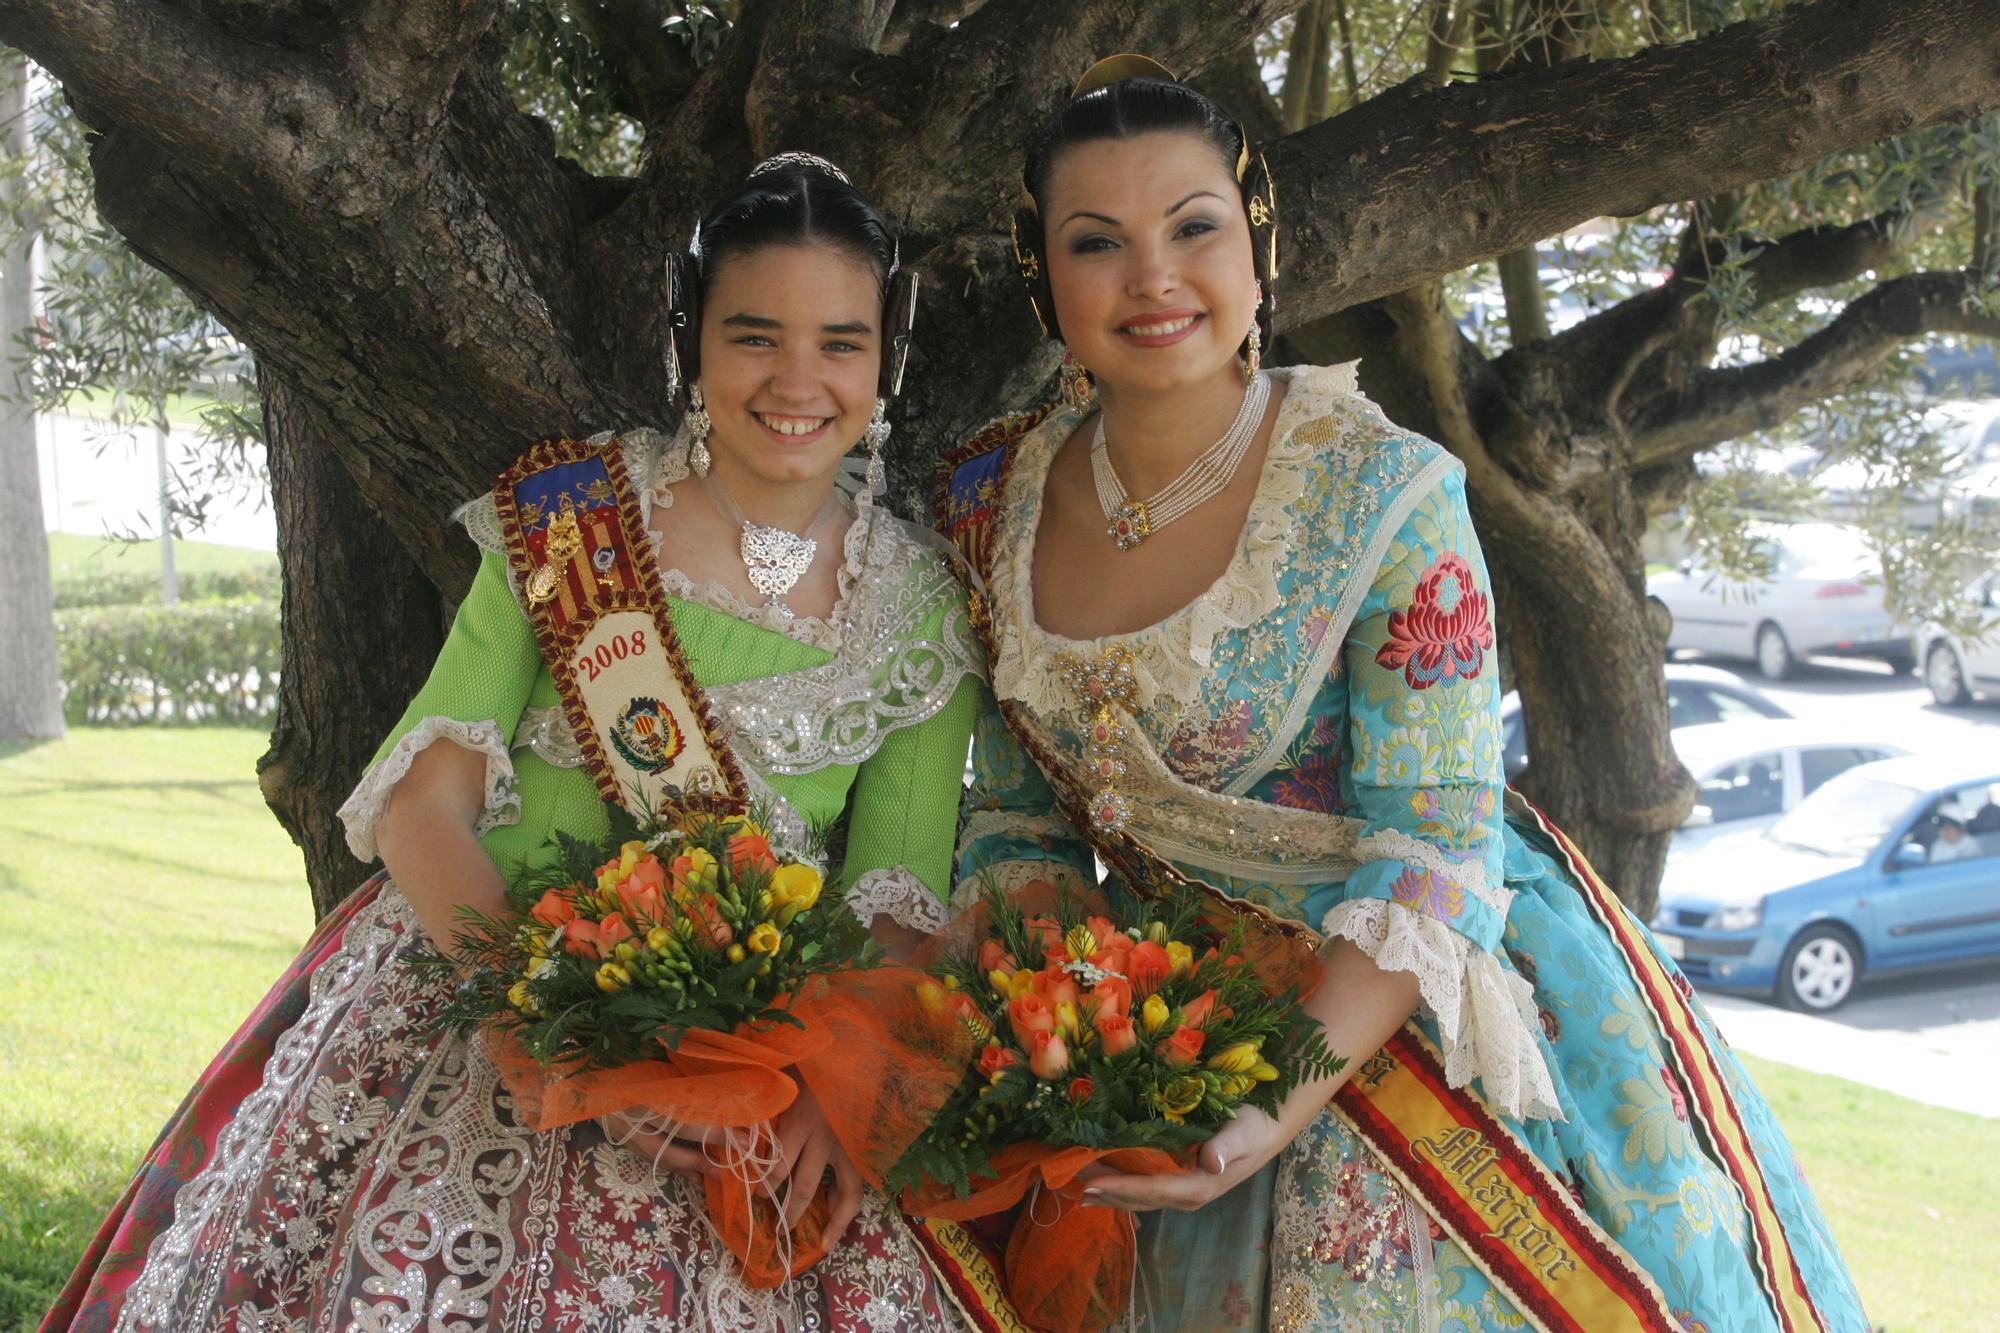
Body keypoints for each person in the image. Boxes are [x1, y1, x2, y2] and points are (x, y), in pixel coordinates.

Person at [934, 60, 1872, 1333]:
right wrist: (1080, 1042)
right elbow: (1018, 818)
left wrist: (1256, 1111)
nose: (1152, 276)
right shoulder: (987, 500)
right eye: (1095, 242)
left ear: (1255, 250)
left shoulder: (1384, 491)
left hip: (1394, 1028)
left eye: (1193, 226)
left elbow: (1433, 842)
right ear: (1044, 280)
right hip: (1159, 1040)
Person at [45, 155, 983, 1333]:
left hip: (746, 1084)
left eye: (840, 343)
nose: (798, 380)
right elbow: (420, 807)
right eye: (754, 335)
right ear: (690, 339)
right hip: (485, 1021)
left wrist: (838, 1103)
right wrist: (548, 1040)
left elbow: (896, 892)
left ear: (884, 356)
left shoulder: (919, 605)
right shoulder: (573, 516)